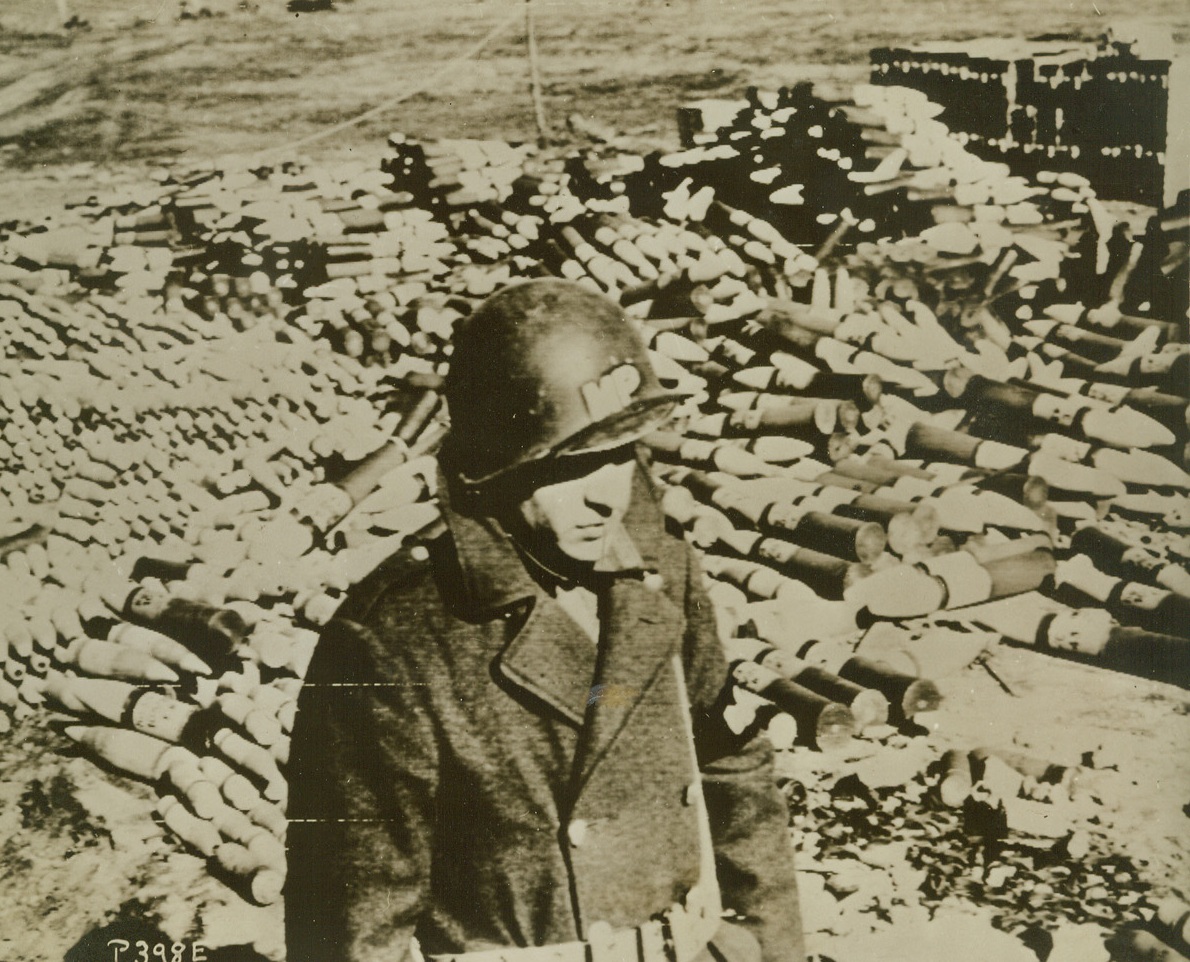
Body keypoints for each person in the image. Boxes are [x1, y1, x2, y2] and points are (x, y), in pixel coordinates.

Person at [285, 278, 805, 962]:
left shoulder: (663, 572)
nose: (608, 495)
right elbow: (354, 926)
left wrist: (771, 946)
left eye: (622, 455)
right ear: (494, 466)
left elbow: (735, 766)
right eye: (574, 463)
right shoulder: (394, 644)